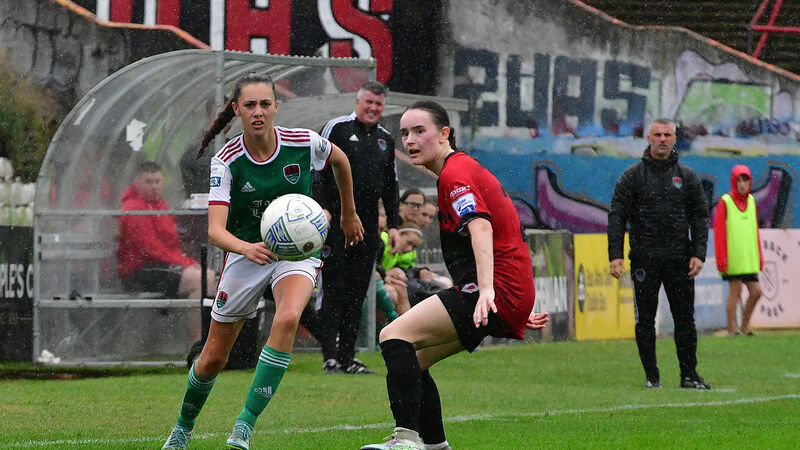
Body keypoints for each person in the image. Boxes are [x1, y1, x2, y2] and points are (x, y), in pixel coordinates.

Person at [161, 73, 364, 450]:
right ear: (236, 110)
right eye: (250, 105)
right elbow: (215, 231)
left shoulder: (303, 142)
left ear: (276, 107)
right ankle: (183, 428)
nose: (258, 112)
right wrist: (246, 248)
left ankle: (244, 426)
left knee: (287, 318)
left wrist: (348, 213)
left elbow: (340, 160)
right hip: (246, 254)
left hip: (296, 252)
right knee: (212, 358)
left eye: (265, 104)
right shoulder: (227, 160)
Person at [361, 101, 549, 450]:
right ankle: (436, 447)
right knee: (414, 361)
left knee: (393, 336)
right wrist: (513, 301)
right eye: (405, 133)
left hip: (493, 290)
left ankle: (406, 440)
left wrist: (490, 291)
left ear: (444, 133)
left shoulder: (455, 172)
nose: (410, 140)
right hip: (504, 291)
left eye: (420, 131)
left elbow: (481, 227)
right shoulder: (459, 169)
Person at [607, 118, 711, 390]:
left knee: (684, 319)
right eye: (657, 135)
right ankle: (652, 377)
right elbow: (617, 216)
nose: (662, 139)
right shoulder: (632, 176)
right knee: (645, 320)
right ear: (649, 138)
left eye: (667, 135)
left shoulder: (687, 176)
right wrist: (615, 254)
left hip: (680, 259)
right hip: (644, 259)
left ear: (675, 139)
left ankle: (689, 375)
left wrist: (699, 253)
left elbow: (700, 217)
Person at [314, 81, 401, 375]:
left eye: (378, 104)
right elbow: (316, 169)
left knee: (357, 293)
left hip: (367, 229)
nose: (373, 108)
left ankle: (348, 357)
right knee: (332, 289)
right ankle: (330, 356)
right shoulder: (337, 128)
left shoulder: (386, 139)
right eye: (369, 102)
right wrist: (322, 208)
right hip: (335, 223)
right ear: (357, 102)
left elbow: (390, 185)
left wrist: (395, 224)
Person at [118, 161, 213, 299]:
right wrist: (183, 262)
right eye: (148, 182)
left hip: (157, 267)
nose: (154, 186)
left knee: (207, 275)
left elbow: (169, 244)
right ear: (136, 182)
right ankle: (194, 314)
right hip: (139, 272)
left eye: (157, 181)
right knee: (203, 279)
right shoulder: (134, 208)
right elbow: (149, 248)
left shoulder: (158, 205)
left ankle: (193, 312)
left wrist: (184, 261)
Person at [713, 165, 763, 336]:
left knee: (756, 292)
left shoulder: (751, 201)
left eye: (745, 180)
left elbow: (755, 231)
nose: (742, 185)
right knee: (735, 291)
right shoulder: (725, 202)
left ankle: (745, 326)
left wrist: (759, 256)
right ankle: (732, 329)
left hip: (748, 258)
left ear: (750, 182)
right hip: (733, 257)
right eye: (739, 181)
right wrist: (722, 259)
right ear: (734, 182)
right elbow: (719, 232)